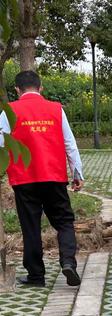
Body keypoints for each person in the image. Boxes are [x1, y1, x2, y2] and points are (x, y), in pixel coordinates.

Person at [0, 70, 83, 287]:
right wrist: (77, 173)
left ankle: (36, 276)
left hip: (24, 178)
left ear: (17, 90)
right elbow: (69, 144)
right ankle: (68, 262)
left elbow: (1, 144)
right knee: (64, 221)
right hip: (54, 176)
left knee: (31, 226)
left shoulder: (9, 112)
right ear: (41, 88)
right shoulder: (56, 109)